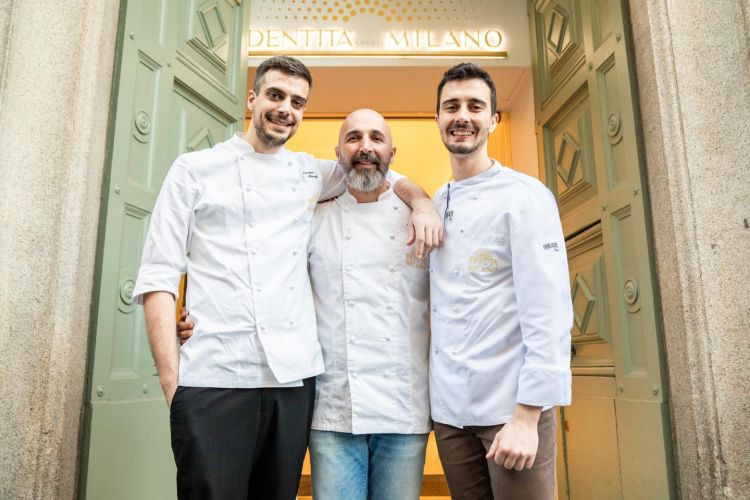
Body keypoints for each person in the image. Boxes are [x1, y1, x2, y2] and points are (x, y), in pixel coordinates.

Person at [132, 56, 441, 500]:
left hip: (291, 383)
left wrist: (424, 202)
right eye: (276, 95)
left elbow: (380, 171)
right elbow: (158, 275)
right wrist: (173, 385)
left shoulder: (307, 173)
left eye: (297, 101)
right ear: (253, 98)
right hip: (214, 374)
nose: (285, 109)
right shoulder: (194, 170)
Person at [428, 63, 573, 499]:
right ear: (437, 117)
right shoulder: (438, 198)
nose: (462, 116)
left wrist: (528, 415)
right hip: (452, 413)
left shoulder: (525, 197)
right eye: (451, 106)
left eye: (475, 106)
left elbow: (548, 311)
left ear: (493, 119)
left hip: (510, 408)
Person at [306, 109, 431, 500]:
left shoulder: (422, 218)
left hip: (403, 405)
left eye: (376, 138)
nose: (365, 147)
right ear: (338, 152)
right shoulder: (313, 218)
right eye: (354, 137)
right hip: (334, 406)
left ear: (392, 151)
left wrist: (421, 199)